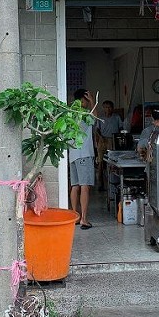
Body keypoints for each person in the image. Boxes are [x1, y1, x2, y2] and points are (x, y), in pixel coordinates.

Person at [68, 89, 96, 229]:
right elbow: (95, 117)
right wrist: (92, 101)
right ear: (83, 99)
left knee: (75, 186)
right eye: (86, 99)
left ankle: (75, 216)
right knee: (85, 187)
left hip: (72, 155)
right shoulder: (84, 113)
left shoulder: (69, 115)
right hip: (84, 154)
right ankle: (84, 218)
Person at [95, 100, 123, 190]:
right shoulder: (100, 118)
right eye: (106, 107)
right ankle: (100, 184)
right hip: (102, 141)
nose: (108, 109)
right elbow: (97, 130)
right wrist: (100, 138)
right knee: (100, 163)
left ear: (112, 108)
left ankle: (112, 183)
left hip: (112, 140)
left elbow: (121, 128)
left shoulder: (116, 117)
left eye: (109, 107)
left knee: (112, 163)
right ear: (103, 108)